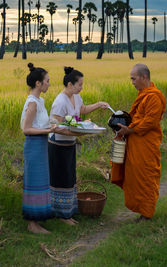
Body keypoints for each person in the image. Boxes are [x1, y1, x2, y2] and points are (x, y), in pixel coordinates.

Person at [48, 67, 109, 225]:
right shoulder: (59, 102)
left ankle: (68, 211)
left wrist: (98, 104)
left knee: (70, 177)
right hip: (58, 144)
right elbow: (56, 126)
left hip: (69, 143)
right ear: (70, 84)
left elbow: (81, 110)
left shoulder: (76, 96)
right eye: (79, 84)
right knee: (61, 178)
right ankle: (61, 215)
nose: (81, 87)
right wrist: (79, 133)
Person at [111, 64, 166, 222]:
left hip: (146, 145)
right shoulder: (144, 94)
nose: (132, 82)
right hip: (136, 142)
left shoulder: (154, 96)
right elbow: (137, 119)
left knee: (146, 176)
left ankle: (147, 213)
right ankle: (141, 210)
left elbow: (150, 122)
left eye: (134, 79)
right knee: (136, 177)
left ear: (144, 77)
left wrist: (128, 130)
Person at [21, 63, 57, 234]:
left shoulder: (40, 101)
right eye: (47, 81)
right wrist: (48, 130)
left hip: (41, 144)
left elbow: (40, 124)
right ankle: (32, 224)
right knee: (34, 183)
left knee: (41, 182)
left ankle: (37, 220)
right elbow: (26, 129)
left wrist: (52, 126)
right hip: (34, 146)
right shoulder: (33, 103)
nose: (49, 84)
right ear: (38, 83)